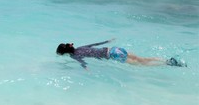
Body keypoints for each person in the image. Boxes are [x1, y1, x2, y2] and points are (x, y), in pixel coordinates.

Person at [56, 38, 187, 69]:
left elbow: (82, 62)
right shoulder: (81, 47)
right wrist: (108, 40)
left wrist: (86, 69)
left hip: (113, 56)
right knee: (142, 58)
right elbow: (96, 44)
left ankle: (168, 64)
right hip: (113, 49)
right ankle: (165, 60)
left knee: (140, 64)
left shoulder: (75, 56)